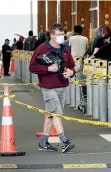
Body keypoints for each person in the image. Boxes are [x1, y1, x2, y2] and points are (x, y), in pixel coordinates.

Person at [29, 23, 75, 153]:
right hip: (48, 87)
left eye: (63, 34)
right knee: (56, 113)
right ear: (52, 35)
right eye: (59, 34)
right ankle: (64, 141)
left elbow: (72, 65)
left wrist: (71, 72)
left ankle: (43, 143)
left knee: (51, 115)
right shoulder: (42, 49)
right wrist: (48, 68)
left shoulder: (64, 49)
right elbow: (32, 67)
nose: (62, 37)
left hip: (62, 86)